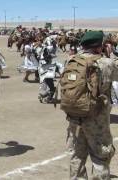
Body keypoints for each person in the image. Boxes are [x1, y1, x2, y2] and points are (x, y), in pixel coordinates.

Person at [63, 31, 116, 179]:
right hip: (97, 119)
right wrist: (110, 54)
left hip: (75, 117)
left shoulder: (71, 61)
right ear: (100, 46)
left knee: (77, 156)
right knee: (100, 157)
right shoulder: (106, 63)